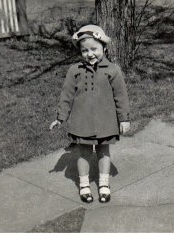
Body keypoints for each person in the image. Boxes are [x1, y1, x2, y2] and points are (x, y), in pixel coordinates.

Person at [49, 25, 131, 203]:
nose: (90, 54)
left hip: (106, 122)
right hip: (82, 122)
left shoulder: (113, 71)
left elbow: (121, 97)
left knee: (104, 152)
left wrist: (124, 119)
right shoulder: (74, 71)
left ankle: (103, 184)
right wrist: (60, 117)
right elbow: (66, 95)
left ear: (104, 48)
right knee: (83, 153)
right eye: (85, 50)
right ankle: (84, 185)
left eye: (94, 49)